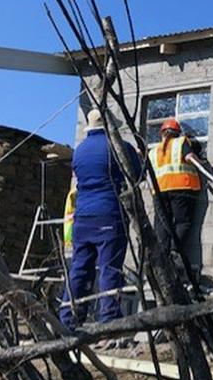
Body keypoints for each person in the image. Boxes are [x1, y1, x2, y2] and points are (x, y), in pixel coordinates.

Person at [59, 109, 141, 329]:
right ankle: (109, 320)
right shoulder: (119, 146)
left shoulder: (80, 150)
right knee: (109, 268)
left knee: (79, 268)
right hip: (109, 213)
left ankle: (69, 320)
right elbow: (138, 173)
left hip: (83, 216)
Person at [148, 118, 203, 274]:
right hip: (181, 187)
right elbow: (189, 158)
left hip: (159, 191)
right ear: (177, 132)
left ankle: (161, 256)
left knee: (162, 225)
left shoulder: (154, 150)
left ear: (162, 133)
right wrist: (202, 164)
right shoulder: (181, 143)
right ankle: (174, 251)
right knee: (183, 222)